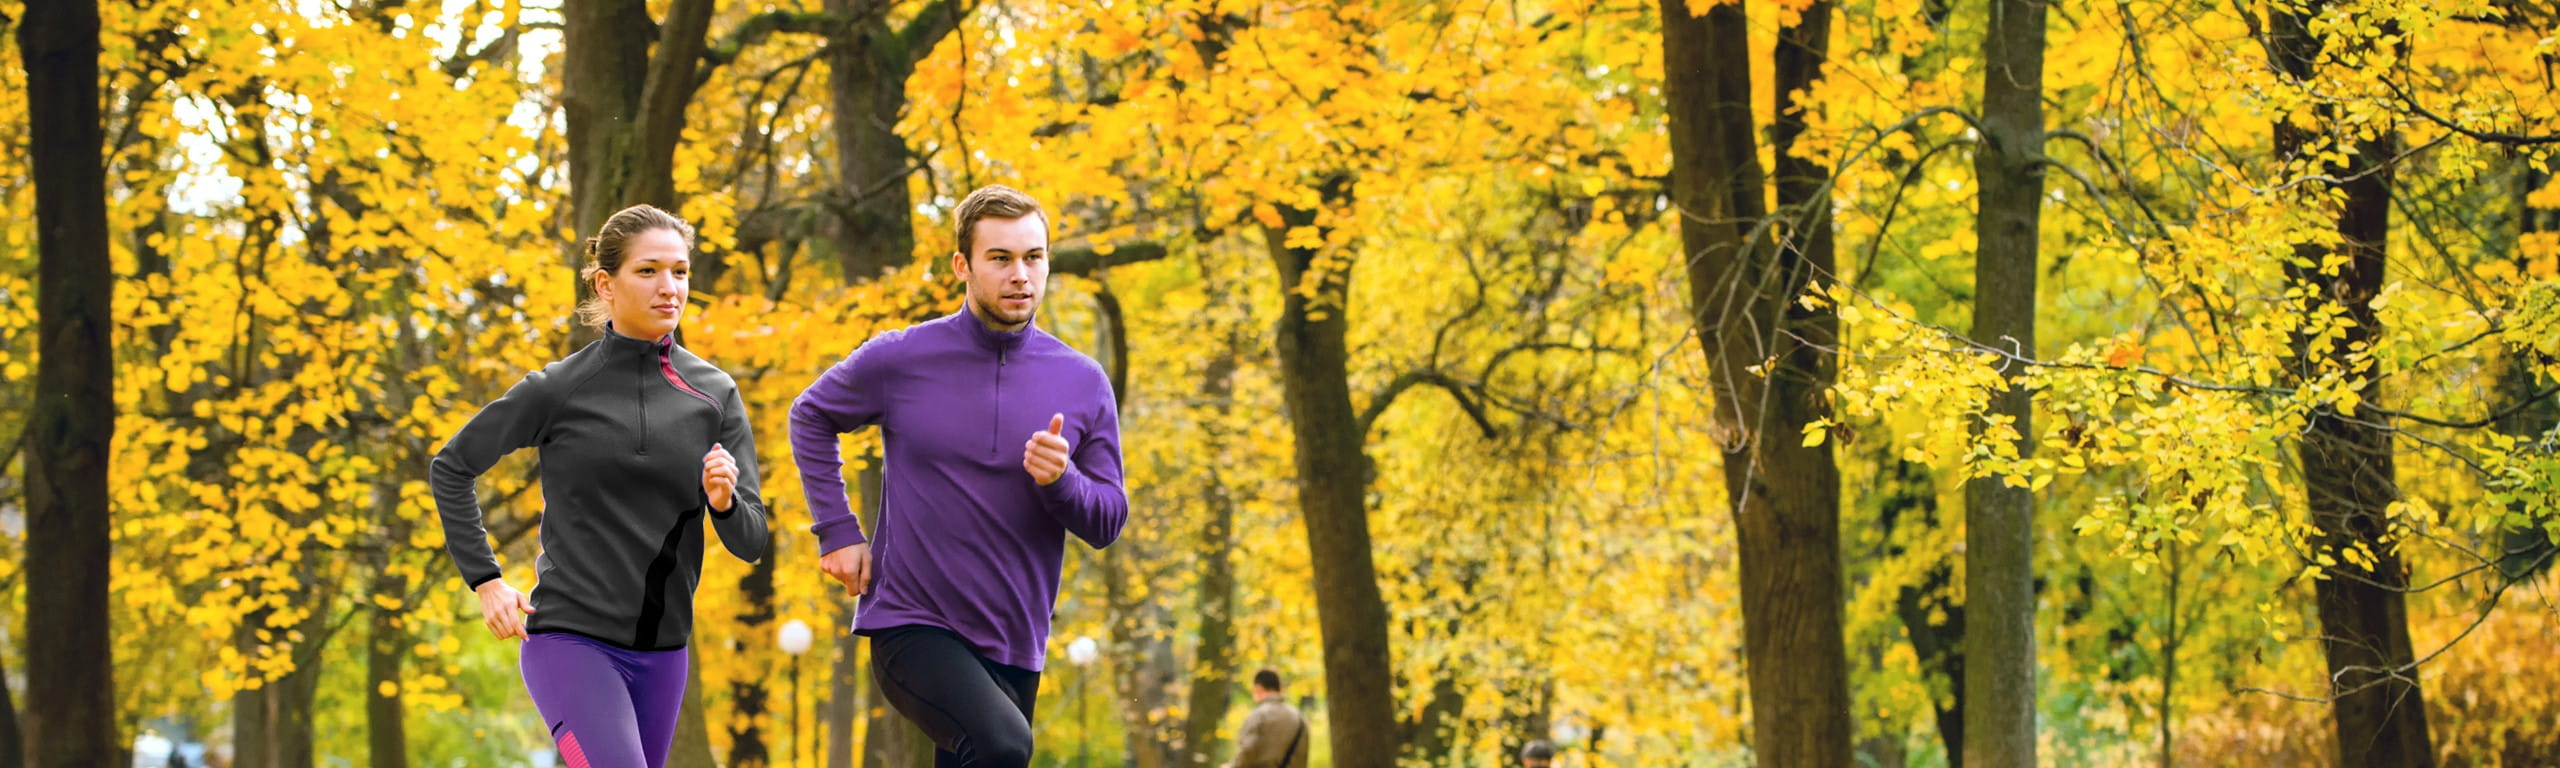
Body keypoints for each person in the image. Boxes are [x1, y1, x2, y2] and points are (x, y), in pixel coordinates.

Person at [790, 184, 1128, 767]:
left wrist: (1062, 481)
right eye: (1000, 258)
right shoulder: (900, 358)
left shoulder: (1083, 380)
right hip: (912, 622)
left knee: (988, 752)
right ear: (962, 266)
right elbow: (811, 415)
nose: (1020, 274)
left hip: (1015, 636)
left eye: (1034, 257)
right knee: (1002, 744)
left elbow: (1108, 520)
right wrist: (838, 531)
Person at [433, 203, 770, 768]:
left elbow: (752, 541)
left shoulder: (715, 394)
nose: (670, 287)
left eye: (681, 271)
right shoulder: (558, 389)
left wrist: (724, 501)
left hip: (664, 654)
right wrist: (486, 581)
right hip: (569, 641)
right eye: (649, 271)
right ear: (604, 284)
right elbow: (452, 466)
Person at [1224, 669, 1310, 768]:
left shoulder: (1259, 715)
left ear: (1258, 688)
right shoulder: (1299, 718)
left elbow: (1247, 751)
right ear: (1279, 689)